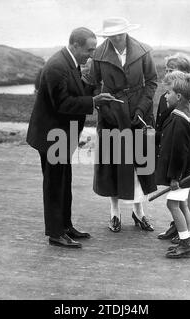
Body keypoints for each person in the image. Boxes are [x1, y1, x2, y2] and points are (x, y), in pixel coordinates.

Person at [26, 27, 116, 248]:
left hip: (60, 136)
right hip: (51, 137)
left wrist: (92, 88)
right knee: (55, 185)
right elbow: (63, 103)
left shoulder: (69, 62)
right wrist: (94, 102)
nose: (91, 54)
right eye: (89, 49)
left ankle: (65, 226)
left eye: (94, 49)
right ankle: (56, 234)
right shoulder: (57, 66)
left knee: (64, 182)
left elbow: (74, 91)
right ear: (75, 45)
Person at [88, 17, 158, 232]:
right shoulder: (99, 55)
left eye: (120, 34)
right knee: (113, 163)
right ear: (107, 36)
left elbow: (152, 81)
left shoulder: (143, 51)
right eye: (112, 35)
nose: (117, 38)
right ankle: (115, 213)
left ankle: (139, 213)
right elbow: (93, 86)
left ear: (126, 32)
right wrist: (105, 109)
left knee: (140, 163)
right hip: (111, 114)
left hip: (139, 112)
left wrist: (141, 109)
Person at [155, 53, 190, 243]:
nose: (167, 74)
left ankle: (184, 237)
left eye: (171, 71)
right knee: (178, 202)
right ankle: (183, 233)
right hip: (177, 160)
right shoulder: (174, 103)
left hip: (182, 165)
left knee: (178, 201)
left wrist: (177, 173)